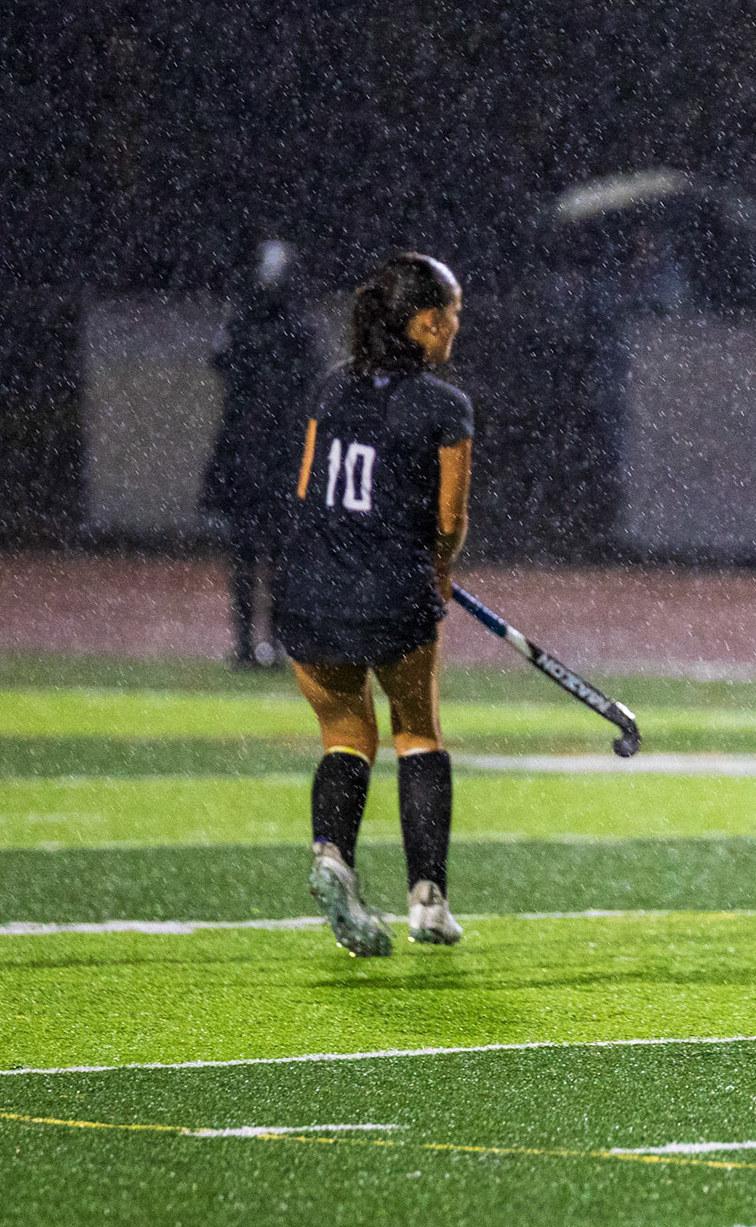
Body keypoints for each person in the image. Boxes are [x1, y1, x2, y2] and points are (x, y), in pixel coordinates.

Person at [272, 253, 472, 957]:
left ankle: (333, 856)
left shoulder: (329, 389)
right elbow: (449, 521)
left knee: (346, 736)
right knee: (417, 732)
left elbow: (308, 491)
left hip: (308, 589)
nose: (456, 327)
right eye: (452, 315)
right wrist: (439, 571)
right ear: (427, 321)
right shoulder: (445, 406)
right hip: (391, 592)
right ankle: (428, 902)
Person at [203, 240, 316, 668]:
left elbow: (222, 362)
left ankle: (255, 643)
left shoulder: (252, 323)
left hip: (255, 451)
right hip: (269, 452)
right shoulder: (291, 326)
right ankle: (265, 642)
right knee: (268, 552)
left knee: (253, 552)